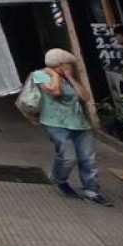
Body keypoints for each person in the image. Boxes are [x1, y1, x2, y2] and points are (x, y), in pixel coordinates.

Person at [31, 48, 110, 206]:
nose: (71, 68)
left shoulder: (69, 78)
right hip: (56, 123)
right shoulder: (39, 75)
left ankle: (91, 190)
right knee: (68, 157)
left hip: (80, 123)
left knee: (88, 158)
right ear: (59, 65)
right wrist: (55, 75)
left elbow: (85, 97)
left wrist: (71, 78)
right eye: (68, 65)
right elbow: (55, 92)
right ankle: (58, 178)